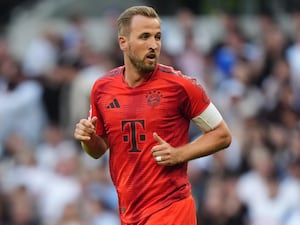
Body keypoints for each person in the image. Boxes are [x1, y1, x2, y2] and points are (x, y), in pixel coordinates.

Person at [74, 5, 231, 225]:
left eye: (157, 37)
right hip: (130, 212)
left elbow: (222, 135)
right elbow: (98, 150)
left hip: (171, 209)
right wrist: (88, 139)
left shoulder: (181, 86)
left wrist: (179, 154)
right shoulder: (102, 89)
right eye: (144, 37)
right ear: (123, 43)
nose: (153, 45)